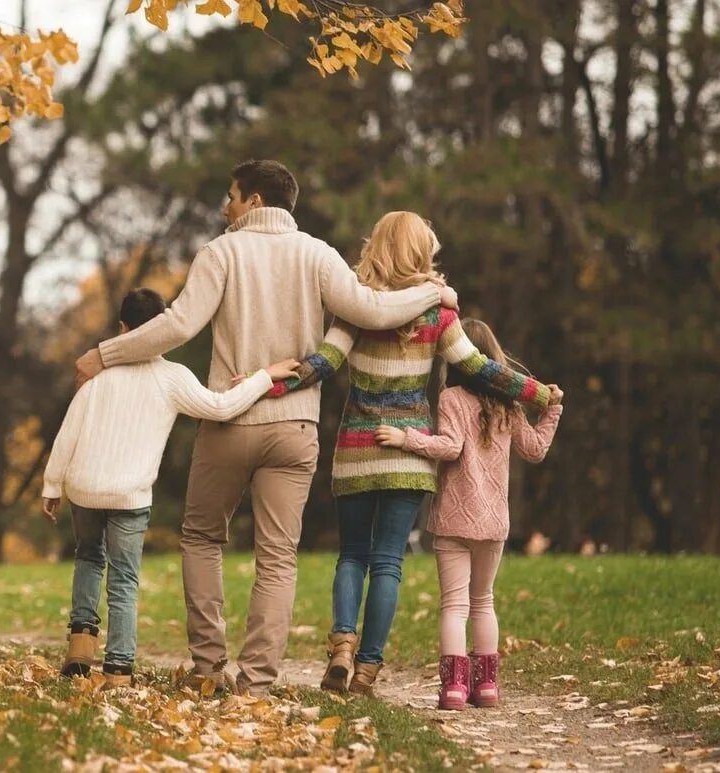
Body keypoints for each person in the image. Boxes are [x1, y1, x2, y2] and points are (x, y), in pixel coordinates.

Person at [74, 161, 457, 696]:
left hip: (230, 419)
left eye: (230, 196)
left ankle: (209, 668)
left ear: (253, 200)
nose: (224, 207)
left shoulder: (220, 252)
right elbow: (371, 309)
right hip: (295, 426)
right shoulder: (318, 255)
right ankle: (256, 683)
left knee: (202, 537)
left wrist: (105, 353)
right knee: (277, 555)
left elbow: (179, 325)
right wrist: (435, 294)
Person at [263, 212, 551, 696]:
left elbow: (323, 363)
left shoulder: (354, 308)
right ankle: (368, 670)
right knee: (388, 562)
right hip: (410, 454)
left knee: (351, 555)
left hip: (357, 446)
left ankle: (341, 645)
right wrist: (536, 394)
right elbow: (478, 367)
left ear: (375, 247)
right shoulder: (439, 316)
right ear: (421, 253)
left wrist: (266, 384)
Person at [43, 288, 301, 687]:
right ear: (163, 329)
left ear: (123, 329)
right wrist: (264, 377)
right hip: (129, 495)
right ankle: (118, 670)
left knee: (88, 558)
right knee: (124, 578)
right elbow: (221, 407)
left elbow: (68, 432)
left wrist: (52, 484)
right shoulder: (171, 378)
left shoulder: (99, 376)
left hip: (84, 488)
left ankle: (80, 647)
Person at [375, 317, 564, 710]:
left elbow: (450, 447)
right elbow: (535, 450)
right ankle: (488, 688)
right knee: (483, 601)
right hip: (494, 521)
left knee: (455, 605)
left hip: (454, 521)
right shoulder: (508, 405)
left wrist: (405, 438)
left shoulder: (450, 399)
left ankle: (455, 689)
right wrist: (553, 412)